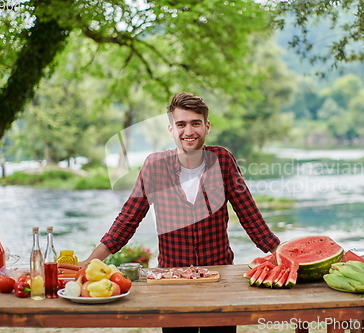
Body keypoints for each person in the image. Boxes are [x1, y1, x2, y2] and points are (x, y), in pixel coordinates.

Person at [82, 92, 280, 333]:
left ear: (207, 127)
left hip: (218, 277)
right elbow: (128, 219)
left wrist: (281, 253)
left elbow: (250, 215)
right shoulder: (155, 166)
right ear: (171, 129)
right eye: (181, 124)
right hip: (170, 279)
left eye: (196, 123)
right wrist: (92, 261)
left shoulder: (223, 161)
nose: (189, 131)